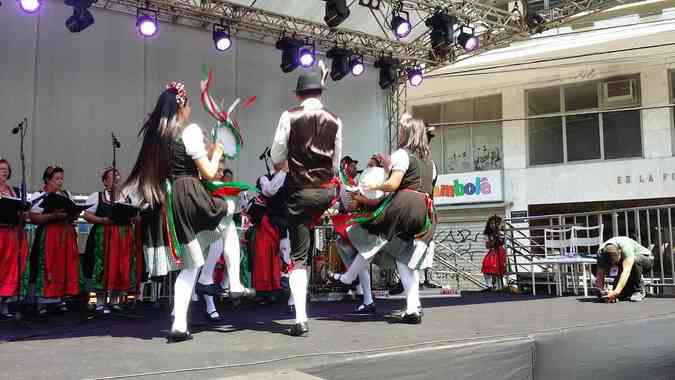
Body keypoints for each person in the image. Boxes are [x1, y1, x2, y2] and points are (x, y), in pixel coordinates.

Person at [123, 82, 254, 343]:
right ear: (181, 106)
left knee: (189, 265)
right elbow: (207, 171)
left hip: (172, 200)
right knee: (229, 209)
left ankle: (179, 325)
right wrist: (217, 150)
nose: (191, 109)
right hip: (190, 192)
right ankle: (234, 283)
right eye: (189, 104)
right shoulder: (190, 132)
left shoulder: (159, 139)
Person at [329, 114, 436, 325]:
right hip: (425, 211)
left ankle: (348, 277)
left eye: (403, 129)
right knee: (404, 259)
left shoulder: (402, 154)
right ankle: (413, 308)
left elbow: (394, 184)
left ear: (408, 133)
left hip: (404, 206)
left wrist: (374, 187)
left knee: (370, 235)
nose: (400, 132)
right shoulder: (430, 162)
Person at [270, 62, 342, 336]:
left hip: (299, 192)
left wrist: (288, 164)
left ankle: (300, 318)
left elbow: (277, 156)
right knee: (320, 238)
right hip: (325, 194)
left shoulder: (289, 116)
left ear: (299, 95)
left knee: (299, 255)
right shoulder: (335, 120)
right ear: (320, 93)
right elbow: (335, 163)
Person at [82, 168, 140, 314]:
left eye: (117, 178)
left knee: (121, 267)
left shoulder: (127, 198)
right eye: (112, 178)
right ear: (105, 180)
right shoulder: (98, 196)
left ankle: (115, 300)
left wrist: (134, 218)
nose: (116, 180)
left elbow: (136, 217)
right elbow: (87, 216)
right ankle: (99, 302)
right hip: (105, 235)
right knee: (103, 267)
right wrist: (102, 220)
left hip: (124, 236)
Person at [29, 166, 80, 315]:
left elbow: (73, 213)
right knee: (47, 265)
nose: (60, 182)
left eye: (61, 178)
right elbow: (33, 217)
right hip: (49, 234)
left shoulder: (66, 194)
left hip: (65, 233)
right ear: (47, 179)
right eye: (56, 179)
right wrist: (53, 216)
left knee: (63, 265)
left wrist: (72, 214)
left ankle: (59, 298)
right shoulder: (40, 195)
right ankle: (42, 301)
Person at [0, 158, 29, 319]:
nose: (4, 171)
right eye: (1, 169)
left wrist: (24, 213)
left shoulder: (16, 192)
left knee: (10, 269)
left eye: (6, 169)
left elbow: (26, 213)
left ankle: (4, 304)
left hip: (13, 234)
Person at [596, 236, 654, 302]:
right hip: (626, 262)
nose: (614, 265)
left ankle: (638, 290)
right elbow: (600, 273)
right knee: (619, 290)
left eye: (615, 262)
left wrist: (616, 292)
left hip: (646, 259)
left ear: (619, 252)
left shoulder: (626, 247)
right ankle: (625, 291)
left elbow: (626, 271)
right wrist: (600, 291)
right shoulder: (600, 253)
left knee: (635, 260)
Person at [480, 215, 506, 292]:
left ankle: (499, 286)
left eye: (495, 223)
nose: (493, 225)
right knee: (486, 266)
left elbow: (502, 243)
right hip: (493, 252)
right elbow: (487, 246)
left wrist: (499, 236)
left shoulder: (502, 232)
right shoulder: (487, 234)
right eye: (491, 224)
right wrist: (494, 239)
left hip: (501, 252)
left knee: (499, 269)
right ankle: (489, 285)